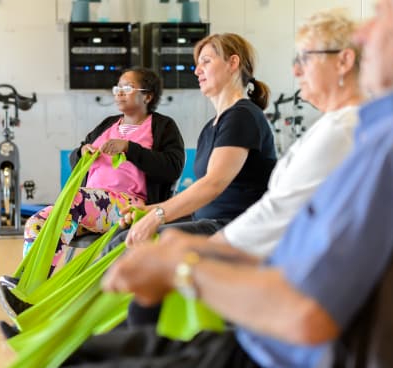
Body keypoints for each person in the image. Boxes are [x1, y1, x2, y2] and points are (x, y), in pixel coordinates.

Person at [0, 0, 393, 368]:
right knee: (75, 358)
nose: (362, 33)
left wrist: (185, 265)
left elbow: (307, 311)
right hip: (281, 352)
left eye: (379, 15)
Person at [128, 9, 364, 326]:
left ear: (345, 62)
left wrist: (194, 247)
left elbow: (267, 207)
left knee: (142, 288)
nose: (295, 71)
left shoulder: (342, 129)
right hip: (256, 245)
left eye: (306, 58)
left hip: (261, 250)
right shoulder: (332, 127)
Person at [0, 67, 184, 318]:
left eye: (127, 88)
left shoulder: (163, 127)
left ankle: (29, 289)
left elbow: (172, 167)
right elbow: (79, 155)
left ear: (147, 96)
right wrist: (81, 152)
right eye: (117, 88)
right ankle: (30, 292)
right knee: (37, 223)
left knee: (77, 199)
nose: (119, 93)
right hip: (89, 206)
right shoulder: (107, 124)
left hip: (131, 207)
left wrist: (130, 148)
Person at [119, 33, 277, 248]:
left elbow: (213, 184)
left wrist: (157, 215)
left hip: (234, 229)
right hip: (209, 223)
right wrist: (148, 211)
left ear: (232, 63)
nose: (197, 70)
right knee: (121, 236)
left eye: (206, 61)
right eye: (197, 64)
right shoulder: (211, 127)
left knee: (123, 247)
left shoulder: (242, 116)